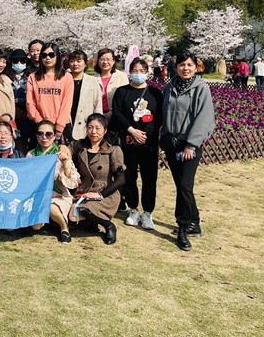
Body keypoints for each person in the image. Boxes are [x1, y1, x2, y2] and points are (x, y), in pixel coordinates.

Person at [161, 52, 215, 251]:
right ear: (176, 67)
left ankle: (183, 227)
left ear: (195, 67)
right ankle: (194, 221)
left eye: (190, 65)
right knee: (182, 186)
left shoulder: (201, 88)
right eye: (182, 64)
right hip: (172, 143)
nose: (186, 68)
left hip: (189, 144)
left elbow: (205, 118)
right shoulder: (169, 87)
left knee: (185, 185)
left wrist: (191, 145)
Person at [111, 58, 163, 231]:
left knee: (149, 178)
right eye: (134, 70)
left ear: (147, 72)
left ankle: (147, 212)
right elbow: (117, 113)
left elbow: (159, 117)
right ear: (129, 72)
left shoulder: (155, 93)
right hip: (128, 141)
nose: (138, 74)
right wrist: (131, 131)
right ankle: (133, 209)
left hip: (148, 143)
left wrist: (144, 135)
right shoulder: (122, 91)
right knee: (129, 176)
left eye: (142, 70)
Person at [64, 113, 125, 245]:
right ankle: (91, 223)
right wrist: (63, 149)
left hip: (106, 193)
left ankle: (109, 226)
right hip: (84, 191)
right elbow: (66, 149)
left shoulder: (113, 150)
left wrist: (100, 195)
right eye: (90, 127)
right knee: (72, 217)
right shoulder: (79, 146)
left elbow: (121, 179)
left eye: (98, 128)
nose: (93, 131)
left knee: (85, 209)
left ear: (105, 130)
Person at [28, 120, 79, 244]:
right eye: (40, 134)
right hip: (38, 194)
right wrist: (46, 192)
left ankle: (64, 228)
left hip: (60, 195)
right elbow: (28, 180)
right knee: (35, 227)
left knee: (51, 207)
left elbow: (74, 182)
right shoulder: (31, 155)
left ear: (55, 136)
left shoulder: (61, 154)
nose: (44, 137)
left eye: (48, 134)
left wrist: (66, 164)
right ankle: (48, 222)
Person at [26, 43, 74, 142]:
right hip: (39, 125)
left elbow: (67, 103)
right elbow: (30, 102)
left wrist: (59, 126)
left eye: (51, 55)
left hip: (61, 126)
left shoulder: (67, 77)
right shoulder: (33, 77)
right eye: (44, 55)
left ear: (57, 56)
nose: (48, 58)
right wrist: (40, 123)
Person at [64, 49, 102, 143]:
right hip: (66, 121)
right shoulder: (63, 80)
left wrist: (98, 125)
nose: (75, 64)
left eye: (79, 61)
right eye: (72, 61)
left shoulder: (92, 81)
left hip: (85, 124)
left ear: (85, 64)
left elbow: (98, 105)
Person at [93, 48, 129, 121]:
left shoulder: (121, 77)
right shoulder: (92, 78)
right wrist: (98, 113)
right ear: (98, 61)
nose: (105, 62)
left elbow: (125, 98)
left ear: (113, 61)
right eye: (102, 59)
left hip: (117, 117)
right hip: (97, 117)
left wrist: (112, 112)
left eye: (108, 59)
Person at [10, 48, 34, 154]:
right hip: (10, 118)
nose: (19, 64)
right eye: (16, 61)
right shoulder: (5, 78)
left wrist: (19, 100)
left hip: (26, 118)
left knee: (23, 147)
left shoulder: (31, 78)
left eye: (22, 61)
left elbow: (33, 98)